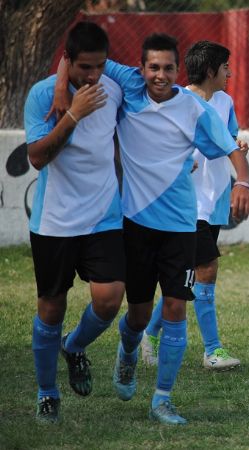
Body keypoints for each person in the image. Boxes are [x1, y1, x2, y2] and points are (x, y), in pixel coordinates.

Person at [53, 33, 249, 425]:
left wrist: (242, 183)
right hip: (135, 224)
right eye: (153, 68)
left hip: (181, 226)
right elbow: (74, 54)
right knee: (139, 316)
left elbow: (232, 148)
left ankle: (162, 399)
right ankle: (127, 351)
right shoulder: (129, 86)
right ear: (140, 69)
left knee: (177, 305)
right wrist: (62, 86)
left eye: (167, 68)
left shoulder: (194, 108)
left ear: (178, 72)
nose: (160, 76)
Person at [23, 21, 124, 423]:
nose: (94, 75)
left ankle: (75, 346)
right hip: (55, 221)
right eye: (84, 67)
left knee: (109, 298)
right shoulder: (42, 95)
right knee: (51, 307)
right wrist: (73, 115)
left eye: (100, 66)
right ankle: (47, 393)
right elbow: (37, 157)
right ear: (67, 61)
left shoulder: (114, 89)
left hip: (104, 216)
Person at [140, 40, 247, 372]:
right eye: (226, 67)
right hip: (186, 203)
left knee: (186, 278)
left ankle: (149, 333)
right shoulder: (179, 99)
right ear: (212, 70)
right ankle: (212, 350)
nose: (230, 72)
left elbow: (229, 137)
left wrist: (239, 143)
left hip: (212, 201)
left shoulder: (225, 101)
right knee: (207, 268)